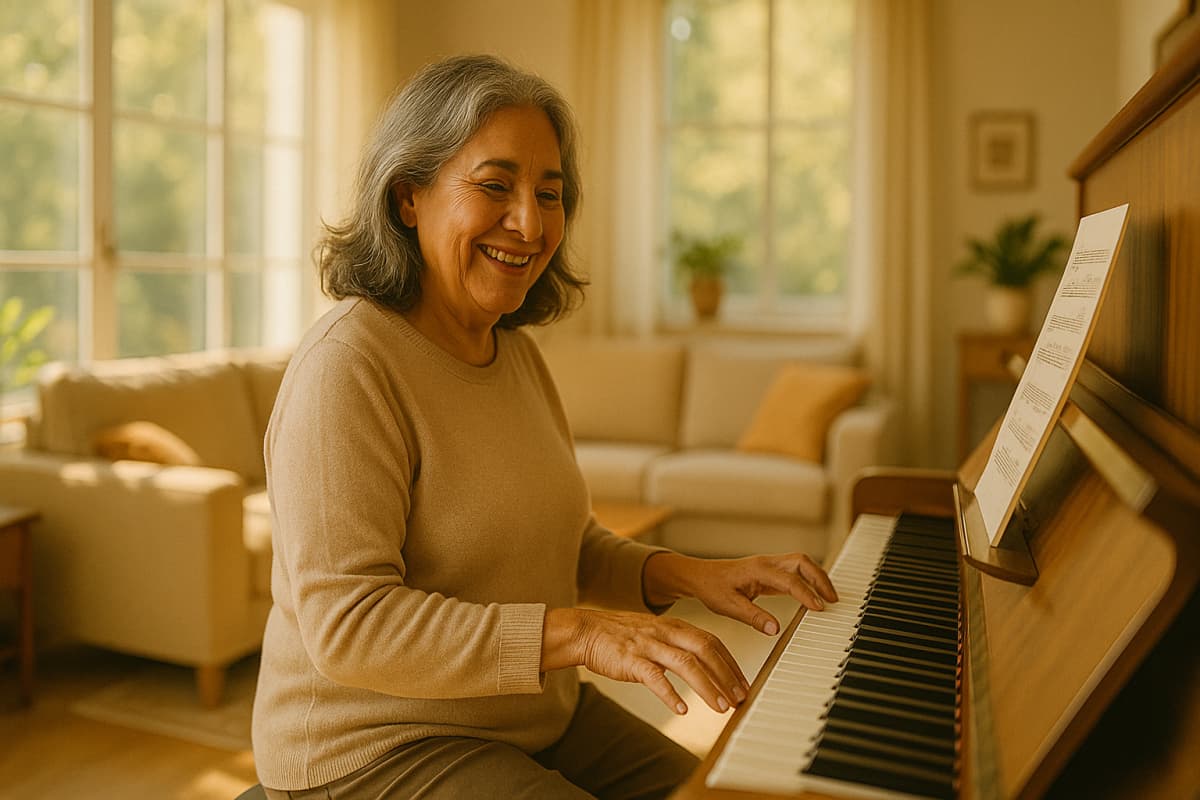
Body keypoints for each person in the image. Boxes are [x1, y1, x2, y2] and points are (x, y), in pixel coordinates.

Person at [251, 53, 838, 800]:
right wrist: (584, 634)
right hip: (376, 747)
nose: (530, 223)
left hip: (530, 715)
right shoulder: (348, 366)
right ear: (408, 198)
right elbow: (350, 625)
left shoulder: (515, 354)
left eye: (549, 194)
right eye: (495, 186)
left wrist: (692, 574)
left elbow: (562, 545)